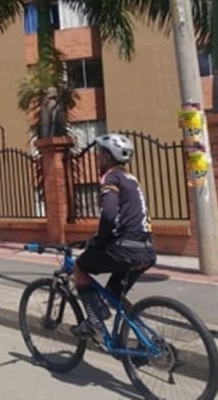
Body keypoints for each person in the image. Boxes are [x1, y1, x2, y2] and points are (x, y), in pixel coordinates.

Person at [70, 133, 157, 339]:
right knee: (114, 295)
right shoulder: (130, 179)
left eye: (100, 153)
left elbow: (109, 215)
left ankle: (94, 322)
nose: (98, 157)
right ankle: (148, 341)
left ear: (108, 157)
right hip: (146, 250)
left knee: (80, 267)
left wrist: (98, 241)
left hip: (125, 248)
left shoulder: (111, 178)